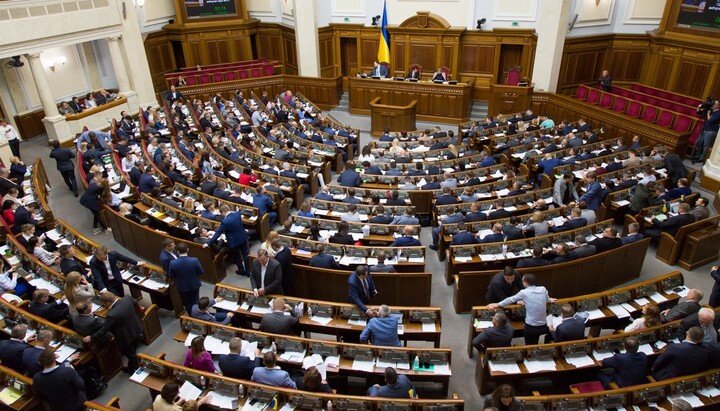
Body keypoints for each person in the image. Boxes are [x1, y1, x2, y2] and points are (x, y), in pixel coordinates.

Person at [488, 274, 557, 345]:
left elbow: (510, 300)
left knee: (530, 346)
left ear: (525, 282)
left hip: (531, 327)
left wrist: (497, 304)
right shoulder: (543, 289)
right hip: (543, 326)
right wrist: (550, 300)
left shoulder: (524, 292)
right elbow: (547, 299)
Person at [85, 292, 143, 372]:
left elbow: (104, 330)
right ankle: (133, 365)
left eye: (104, 304)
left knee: (130, 354)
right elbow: (135, 303)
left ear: (108, 303)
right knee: (134, 349)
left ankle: (134, 369)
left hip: (125, 337)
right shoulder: (127, 298)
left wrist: (91, 337)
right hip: (136, 328)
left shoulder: (112, 315)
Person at [204, 204, 251, 277]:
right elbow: (238, 212)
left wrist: (209, 243)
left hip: (234, 242)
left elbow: (218, 233)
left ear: (222, 212)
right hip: (243, 237)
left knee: (237, 257)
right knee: (245, 255)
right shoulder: (237, 214)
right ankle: (248, 272)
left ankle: (241, 270)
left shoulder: (225, 221)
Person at [168, 243, 203, 315]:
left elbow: (171, 276)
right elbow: (201, 271)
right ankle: (197, 315)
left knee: (187, 302)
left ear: (177, 251)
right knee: (195, 300)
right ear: (187, 250)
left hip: (182, 286)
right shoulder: (194, 260)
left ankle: (191, 315)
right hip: (194, 284)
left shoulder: (173, 263)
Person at [693, 99, 720, 164]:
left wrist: (708, 114)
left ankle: (702, 159)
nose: (713, 105)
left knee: (706, 146)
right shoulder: (710, 110)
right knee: (699, 142)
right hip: (704, 129)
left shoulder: (718, 113)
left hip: (711, 131)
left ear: (718, 105)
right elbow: (698, 113)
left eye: (715, 104)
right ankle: (697, 156)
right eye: (713, 104)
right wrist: (699, 107)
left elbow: (710, 121)